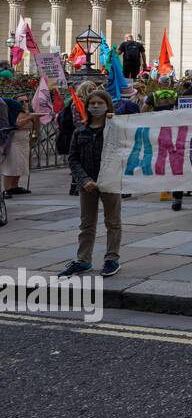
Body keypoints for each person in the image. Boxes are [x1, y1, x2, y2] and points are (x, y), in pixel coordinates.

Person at [59, 89, 122, 278]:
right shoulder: (80, 131)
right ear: (86, 107)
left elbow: (124, 151)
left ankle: (112, 259)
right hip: (87, 184)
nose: (95, 106)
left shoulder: (115, 129)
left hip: (110, 182)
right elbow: (73, 158)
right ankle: (83, 260)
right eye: (92, 103)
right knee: (87, 224)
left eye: (99, 103)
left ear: (107, 106)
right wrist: (84, 179)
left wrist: (116, 122)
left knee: (113, 222)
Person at [1, 93, 37, 197]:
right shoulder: (13, 111)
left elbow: (34, 128)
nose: (24, 103)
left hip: (24, 141)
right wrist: (29, 118)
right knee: (12, 166)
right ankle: (6, 189)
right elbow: (16, 125)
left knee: (21, 166)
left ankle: (14, 186)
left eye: (26, 101)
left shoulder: (28, 112)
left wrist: (35, 119)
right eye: (21, 101)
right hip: (14, 141)